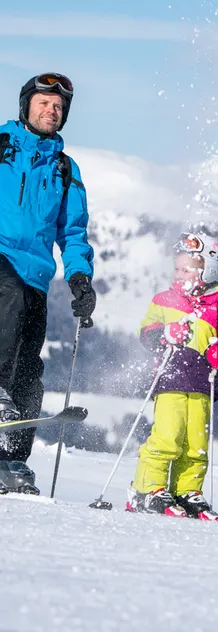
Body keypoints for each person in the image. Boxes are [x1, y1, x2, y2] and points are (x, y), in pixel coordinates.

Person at [0, 74, 95, 494]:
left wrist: (79, 278)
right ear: (26, 105)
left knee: (28, 370)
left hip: (36, 274)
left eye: (57, 107)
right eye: (43, 103)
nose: (50, 111)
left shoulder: (64, 168)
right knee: (10, 300)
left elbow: (72, 232)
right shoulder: (1, 147)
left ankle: (12, 461)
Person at [127, 231, 218, 518]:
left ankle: (187, 490)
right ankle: (147, 488)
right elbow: (147, 331)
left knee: (196, 443)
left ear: (209, 270)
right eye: (177, 269)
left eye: (187, 269)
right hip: (170, 379)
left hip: (202, 383)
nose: (179, 275)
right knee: (167, 436)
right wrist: (166, 333)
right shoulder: (165, 299)